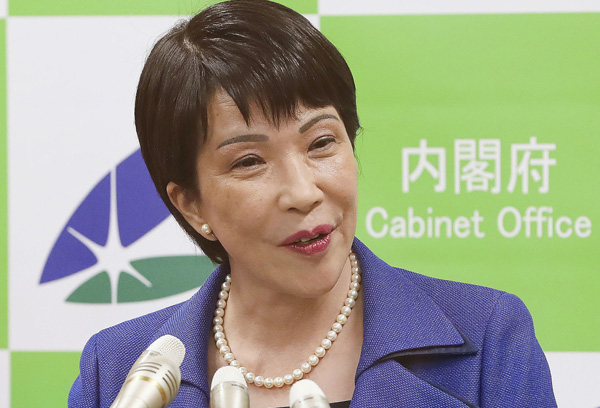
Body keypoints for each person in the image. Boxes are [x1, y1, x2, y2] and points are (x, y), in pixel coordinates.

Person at [68, 1, 557, 407]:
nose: (303, 192)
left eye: (321, 142)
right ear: (191, 204)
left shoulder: (487, 339)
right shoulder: (116, 373)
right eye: (249, 162)